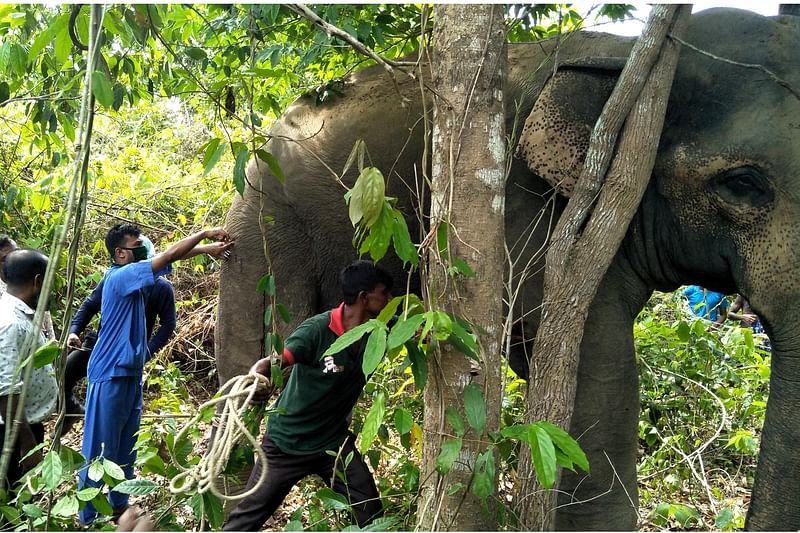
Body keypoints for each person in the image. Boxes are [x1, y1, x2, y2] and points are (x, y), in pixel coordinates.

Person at [78, 224, 232, 524]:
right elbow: (167, 255)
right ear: (120, 253)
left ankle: (119, 504)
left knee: (126, 444)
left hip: (130, 373)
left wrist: (206, 250)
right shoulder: (120, 277)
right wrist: (203, 234)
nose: (143, 247)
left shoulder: (135, 276)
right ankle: (89, 517)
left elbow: (167, 257)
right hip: (109, 373)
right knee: (99, 448)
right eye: (136, 244)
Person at [223, 260, 393, 531]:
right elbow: (273, 362)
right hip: (286, 444)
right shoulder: (316, 330)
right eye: (384, 293)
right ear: (364, 296)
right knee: (247, 518)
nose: (389, 300)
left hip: (332, 443)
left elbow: (418, 332)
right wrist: (256, 380)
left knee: (370, 511)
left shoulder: (381, 330)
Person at [64, 235, 224, 420]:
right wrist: (74, 330)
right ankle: (72, 411)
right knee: (64, 378)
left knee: (118, 411)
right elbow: (91, 305)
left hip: (129, 354)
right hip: (101, 345)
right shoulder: (116, 277)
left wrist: (148, 351)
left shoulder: (161, 287)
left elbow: (168, 324)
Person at [0, 249, 58, 487]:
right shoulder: (10, 323)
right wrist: (26, 443)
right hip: (12, 434)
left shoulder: (22, 315)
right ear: (37, 282)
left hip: (23, 427)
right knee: (11, 503)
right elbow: (5, 390)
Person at [0, 235, 56, 340]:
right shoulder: (10, 323)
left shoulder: (34, 294)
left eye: (16, 252)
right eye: (5, 258)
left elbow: (47, 327)